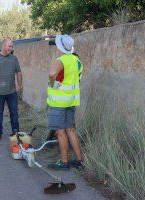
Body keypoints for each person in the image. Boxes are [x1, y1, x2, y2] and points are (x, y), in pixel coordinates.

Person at [46, 35, 84, 170]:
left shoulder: (61, 60)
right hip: (71, 101)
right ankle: (80, 161)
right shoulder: (77, 60)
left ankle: (64, 162)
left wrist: (52, 84)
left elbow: (52, 74)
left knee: (60, 132)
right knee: (70, 130)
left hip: (59, 102)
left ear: (59, 47)